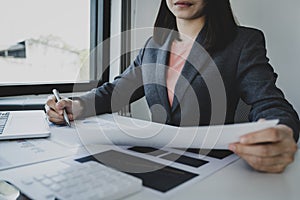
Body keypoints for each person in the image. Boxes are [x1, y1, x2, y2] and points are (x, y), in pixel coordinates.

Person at [45, 0, 299, 173]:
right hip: (154, 162)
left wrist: (281, 132)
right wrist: (76, 105)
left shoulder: (243, 42)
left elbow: (269, 102)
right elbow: (116, 91)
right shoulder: (153, 46)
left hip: (209, 167)